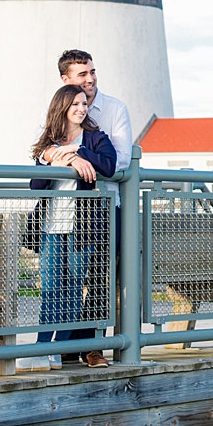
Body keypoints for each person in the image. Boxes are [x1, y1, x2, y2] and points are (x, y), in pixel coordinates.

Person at [53, 49, 133, 365]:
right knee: (61, 281)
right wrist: (65, 155)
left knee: (98, 277)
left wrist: (75, 155)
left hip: (103, 205)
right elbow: (41, 147)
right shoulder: (59, 107)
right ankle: (62, 346)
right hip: (63, 210)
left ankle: (90, 346)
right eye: (82, 74)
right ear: (65, 79)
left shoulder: (114, 109)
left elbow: (122, 161)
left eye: (92, 72)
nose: (90, 79)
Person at [30, 84, 118, 368]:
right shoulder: (49, 142)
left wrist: (78, 154)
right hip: (52, 226)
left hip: (83, 228)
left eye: (84, 104)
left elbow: (109, 166)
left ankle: (57, 348)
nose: (82, 109)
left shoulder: (95, 138)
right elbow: (37, 185)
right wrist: (52, 156)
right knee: (51, 289)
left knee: (72, 288)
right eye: (75, 105)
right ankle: (42, 349)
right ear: (62, 108)